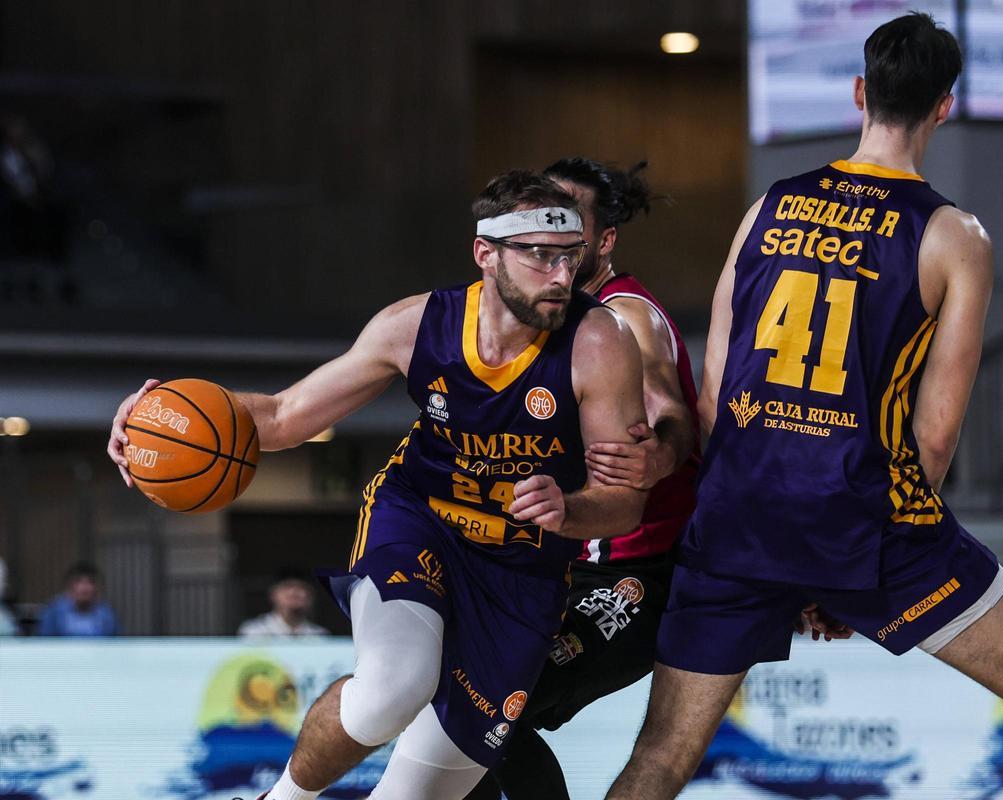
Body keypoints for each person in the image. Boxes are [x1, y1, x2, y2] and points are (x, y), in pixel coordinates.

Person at [606, 13, 1003, 800]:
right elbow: (936, 436)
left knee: (663, 755)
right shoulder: (954, 235)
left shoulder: (770, 206)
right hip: (863, 520)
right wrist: (843, 569)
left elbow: (712, 394)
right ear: (945, 106)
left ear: (859, 93)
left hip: (739, 516)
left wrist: (787, 550)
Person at [108, 170, 649, 800]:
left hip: (523, 566)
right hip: (422, 518)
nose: (560, 276)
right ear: (486, 254)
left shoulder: (601, 343)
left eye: (570, 257)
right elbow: (283, 417)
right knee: (395, 685)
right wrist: (158, 421)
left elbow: (624, 504)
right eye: (539, 256)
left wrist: (570, 508)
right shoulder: (416, 326)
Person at [466, 159, 701, 800]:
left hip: (635, 572)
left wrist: (662, 452)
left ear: (602, 241)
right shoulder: (555, 322)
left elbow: (669, 411)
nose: (554, 235)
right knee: (463, 715)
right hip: (571, 562)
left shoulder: (623, 313)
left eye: (571, 224)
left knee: (490, 714)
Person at [37, 562, 120, 637]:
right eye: (79, 582)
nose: (85, 587)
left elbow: (115, 642)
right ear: (69, 586)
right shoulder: (54, 611)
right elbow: (44, 642)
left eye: (90, 582)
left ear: (96, 587)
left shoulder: (105, 613)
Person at [238, 570, 330, 638]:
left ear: (311, 596)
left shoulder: (320, 635)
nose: (294, 593)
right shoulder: (254, 631)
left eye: (301, 587)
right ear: (273, 594)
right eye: (287, 587)